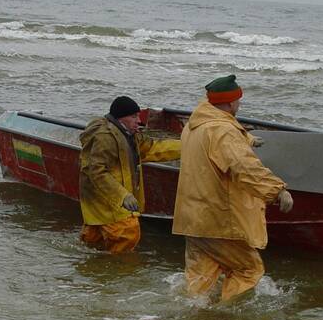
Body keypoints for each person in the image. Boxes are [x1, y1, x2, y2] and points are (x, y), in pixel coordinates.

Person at [172, 75, 293, 302]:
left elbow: (216, 147)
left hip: (192, 218)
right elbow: (244, 167)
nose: (239, 105)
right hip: (218, 220)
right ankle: (229, 317)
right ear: (229, 103)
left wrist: (245, 138)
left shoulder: (193, 126)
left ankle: (195, 316)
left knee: (201, 279)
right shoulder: (224, 132)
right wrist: (277, 190)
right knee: (248, 269)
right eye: (238, 101)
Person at [78, 95, 181, 253]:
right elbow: (97, 172)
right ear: (120, 118)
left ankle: (95, 269)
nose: (139, 121)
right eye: (133, 116)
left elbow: (152, 148)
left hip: (100, 205)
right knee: (127, 234)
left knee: (93, 244)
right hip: (108, 201)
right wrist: (123, 196)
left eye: (138, 116)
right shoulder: (105, 137)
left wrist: (187, 145)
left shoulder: (129, 135)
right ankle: (121, 272)